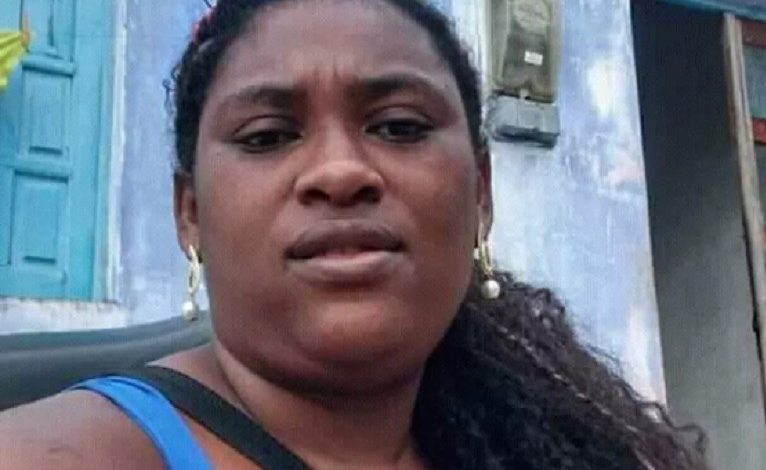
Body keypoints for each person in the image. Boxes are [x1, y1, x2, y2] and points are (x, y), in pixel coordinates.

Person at [0, 1, 708, 469]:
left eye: (399, 126)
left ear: (481, 195)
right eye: (268, 135)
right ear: (190, 213)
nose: (340, 171)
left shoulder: (525, 435)